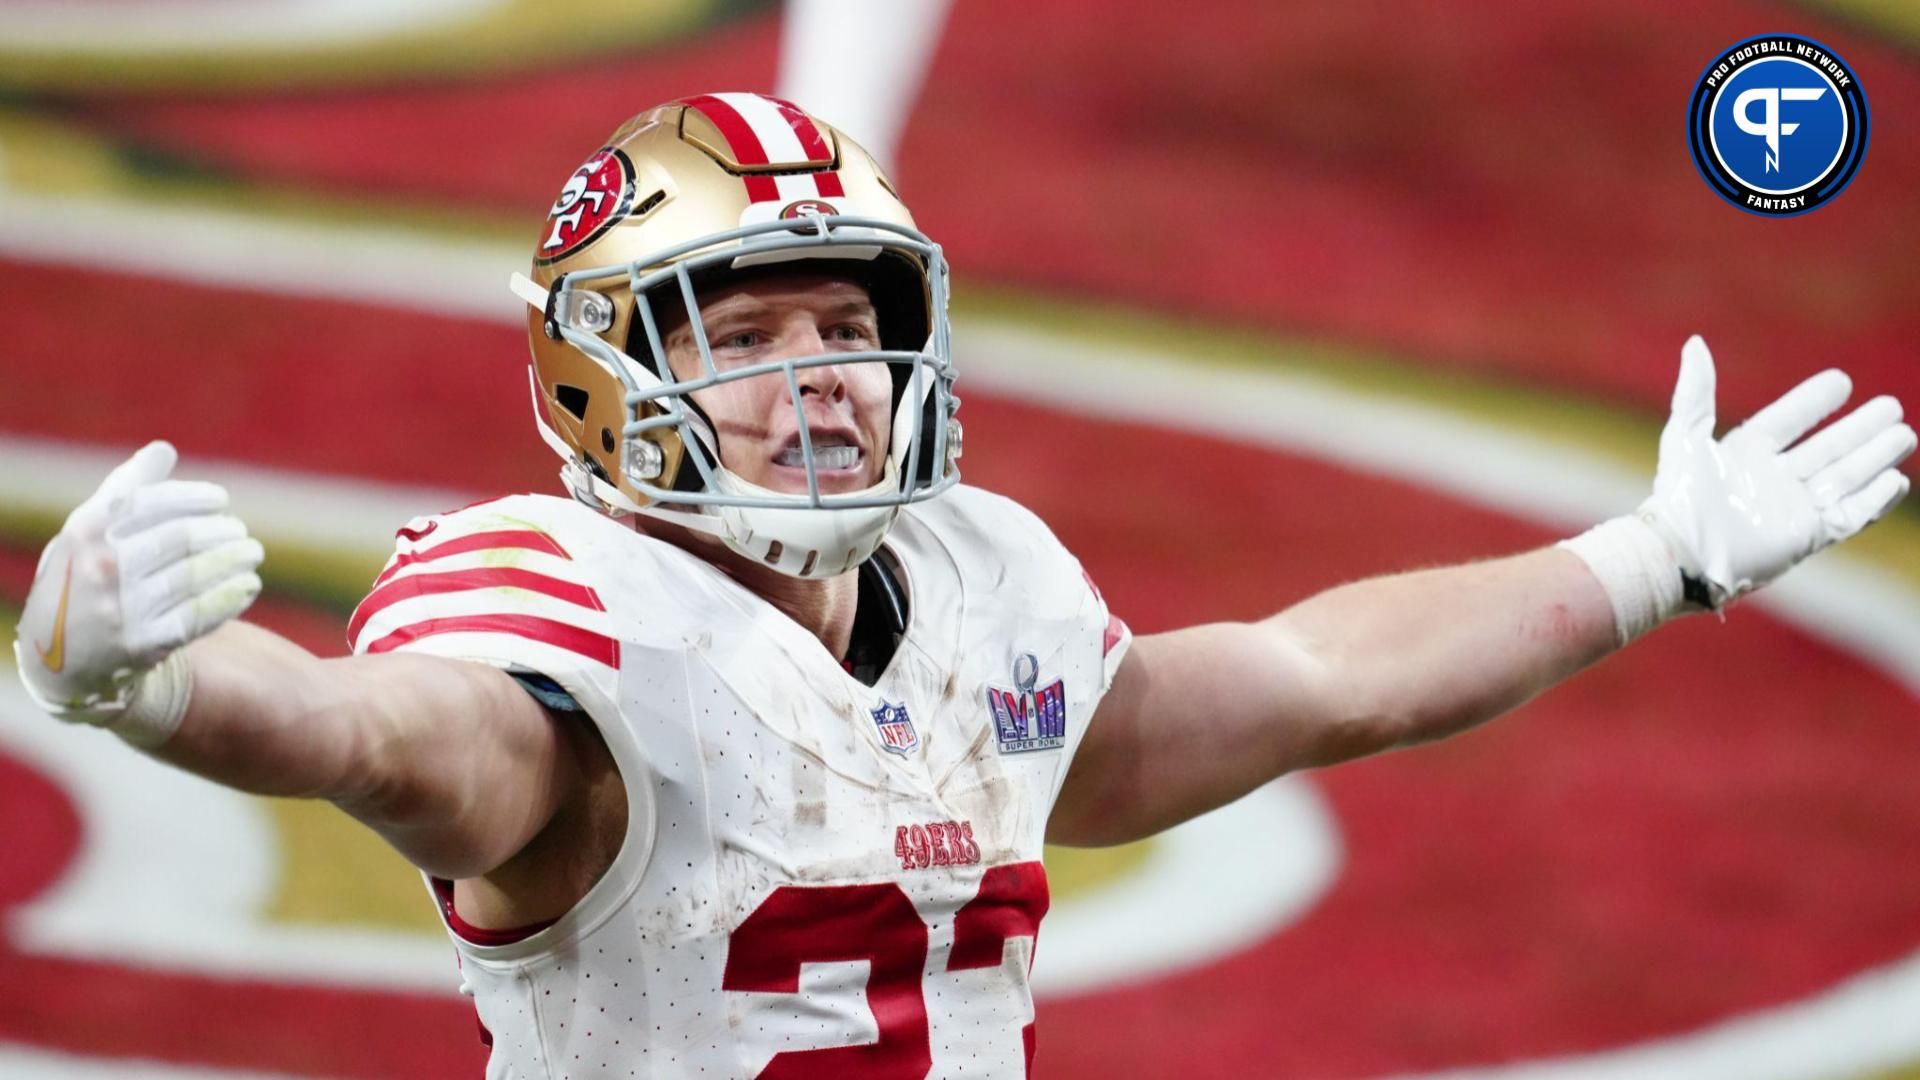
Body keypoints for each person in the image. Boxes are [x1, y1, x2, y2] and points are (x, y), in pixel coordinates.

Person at [11, 94, 1914, 1079]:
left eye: (848, 322)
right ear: (611, 373)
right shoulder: (557, 623)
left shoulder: (980, 587)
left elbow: (1315, 675)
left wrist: (1645, 558)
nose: (821, 374)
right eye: (744, 334)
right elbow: (383, 738)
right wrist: (161, 692)